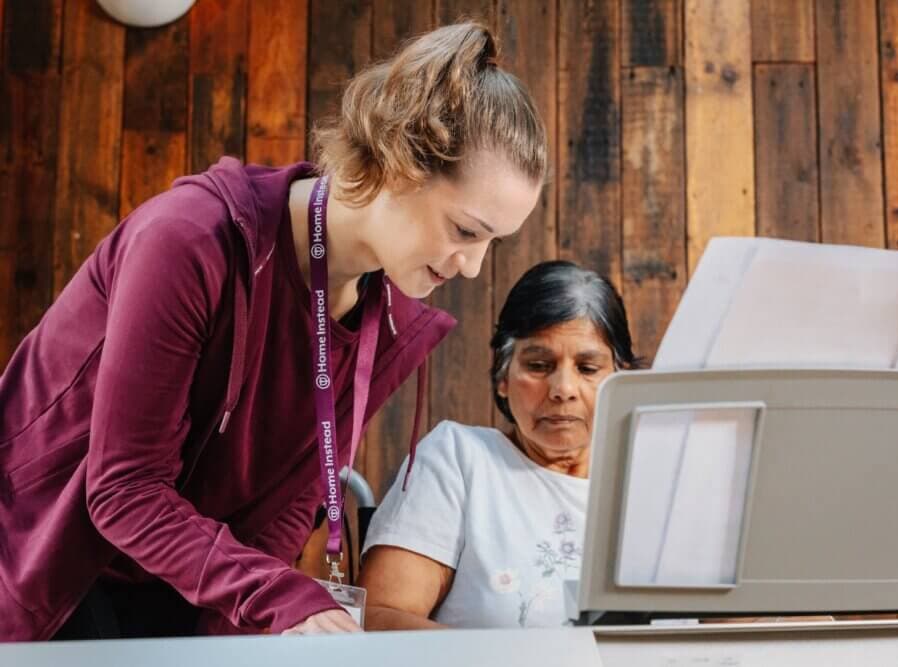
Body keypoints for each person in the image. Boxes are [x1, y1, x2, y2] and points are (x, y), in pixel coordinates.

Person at [0, 22, 546, 640]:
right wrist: (274, 596)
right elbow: (124, 490)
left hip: (178, 590)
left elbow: (287, 506)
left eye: (492, 243)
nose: (473, 267)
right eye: (467, 231)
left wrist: (260, 624)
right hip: (50, 575)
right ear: (399, 164)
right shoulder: (188, 241)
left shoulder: (383, 312)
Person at [358, 261, 640, 629]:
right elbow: (379, 617)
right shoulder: (460, 458)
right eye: (539, 365)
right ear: (503, 375)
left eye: (588, 369)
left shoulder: (649, 482)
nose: (563, 390)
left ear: (621, 380)